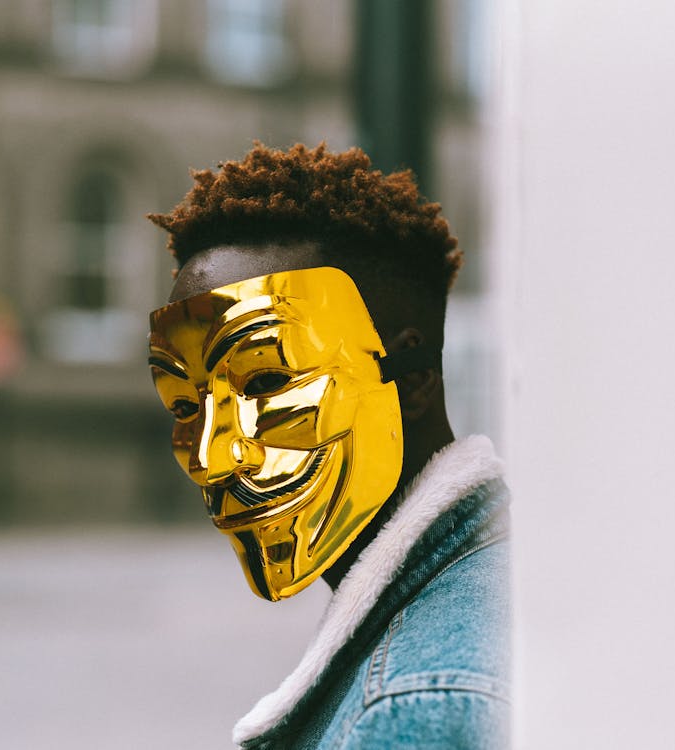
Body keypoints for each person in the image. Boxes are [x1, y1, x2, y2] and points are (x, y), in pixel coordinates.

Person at [146, 143, 510, 749]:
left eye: (265, 381)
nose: (212, 457)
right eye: (185, 405)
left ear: (414, 382)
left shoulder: (415, 709)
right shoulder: (498, 576)